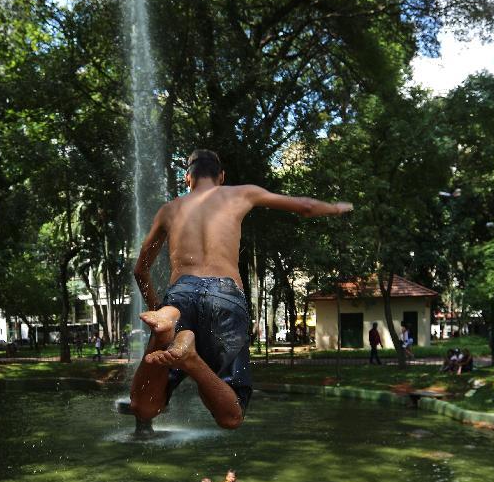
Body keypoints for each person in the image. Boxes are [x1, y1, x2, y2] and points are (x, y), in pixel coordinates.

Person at [132, 149, 352, 429]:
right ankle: (193, 361)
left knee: (145, 407)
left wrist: (156, 307)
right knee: (231, 416)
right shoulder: (242, 194)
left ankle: (166, 327)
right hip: (225, 294)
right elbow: (305, 207)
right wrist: (336, 207)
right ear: (221, 177)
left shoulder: (169, 210)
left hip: (180, 294)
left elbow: (140, 270)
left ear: (187, 178)